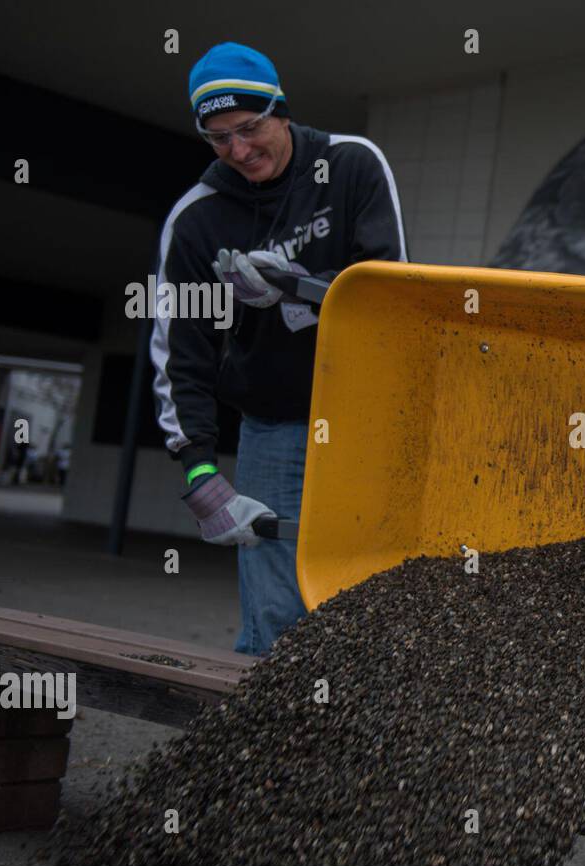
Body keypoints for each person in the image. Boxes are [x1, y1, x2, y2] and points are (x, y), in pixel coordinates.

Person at [150, 42, 408, 656]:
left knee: (368, 594)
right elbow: (179, 353)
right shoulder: (197, 220)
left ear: (281, 109)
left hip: (368, 417)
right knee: (275, 617)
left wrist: (300, 290)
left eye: (249, 127)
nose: (239, 151)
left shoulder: (349, 165)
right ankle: (271, 742)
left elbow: (394, 301)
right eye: (218, 139)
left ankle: (362, 738)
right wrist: (200, 470)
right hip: (274, 428)